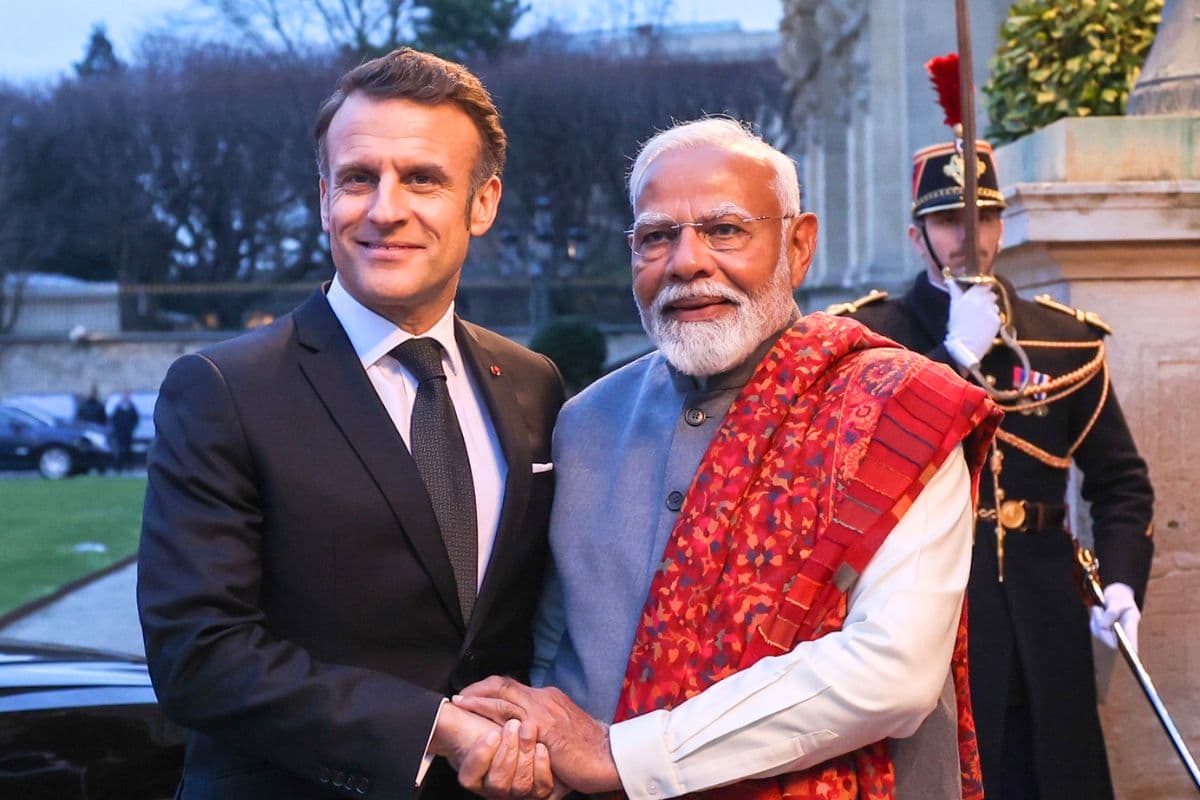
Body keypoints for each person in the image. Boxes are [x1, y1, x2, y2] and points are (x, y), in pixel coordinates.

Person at [452, 117, 1001, 800]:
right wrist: (527, 749)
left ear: (798, 246)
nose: (686, 262)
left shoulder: (893, 415)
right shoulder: (585, 422)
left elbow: (894, 672)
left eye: (725, 230)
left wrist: (622, 756)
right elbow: (550, 651)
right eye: (656, 236)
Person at [137, 48, 566, 800]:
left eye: (423, 179)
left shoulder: (533, 384)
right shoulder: (223, 390)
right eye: (359, 178)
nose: (385, 209)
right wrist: (435, 728)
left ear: (484, 203)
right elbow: (198, 658)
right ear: (323, 197)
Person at [832, 116, 1154, 798]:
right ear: (917, 236)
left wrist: (1122, 582)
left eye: (983, 218)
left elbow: (1121, 482)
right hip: (929, 615)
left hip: (1045, 609)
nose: (968, 237)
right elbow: (859, 466)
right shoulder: (872, 339)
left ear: (1003, 228)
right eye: (949, 220)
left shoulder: (1061, 340)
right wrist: (953, 357)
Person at [109, 390, 139, 471]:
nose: (126, 397)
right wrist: (117, 428)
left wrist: (131, 427)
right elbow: (114, 419)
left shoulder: (132, 407)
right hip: (120, 433)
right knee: (119, 449)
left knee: (128, 449)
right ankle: (119, 466)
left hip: (128, 433)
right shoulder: (118, 407)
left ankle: (129, 466)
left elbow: (135, 419)